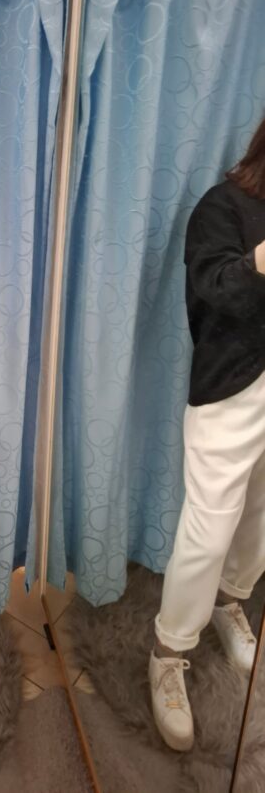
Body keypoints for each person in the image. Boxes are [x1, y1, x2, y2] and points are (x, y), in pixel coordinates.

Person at [149, 115, 265, 752]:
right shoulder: (225, 206)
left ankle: (231, 601)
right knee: (208, 528)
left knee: (261, 518)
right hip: (233, 389)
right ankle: (169, 651)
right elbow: (214, 292)